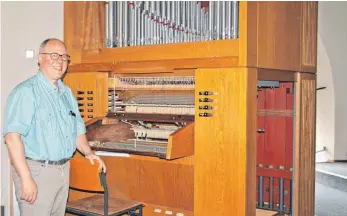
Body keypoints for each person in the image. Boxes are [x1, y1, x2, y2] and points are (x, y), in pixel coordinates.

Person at [3, 38, 107, 216]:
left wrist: (88, 152)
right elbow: (12, 138)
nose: (59, 61)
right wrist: (26, 178)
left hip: (62, 170)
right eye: (53, 56)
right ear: (40, 59)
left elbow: (77, 130)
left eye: (64, 57)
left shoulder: (66, 93)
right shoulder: (26, 92)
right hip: (36, 171)